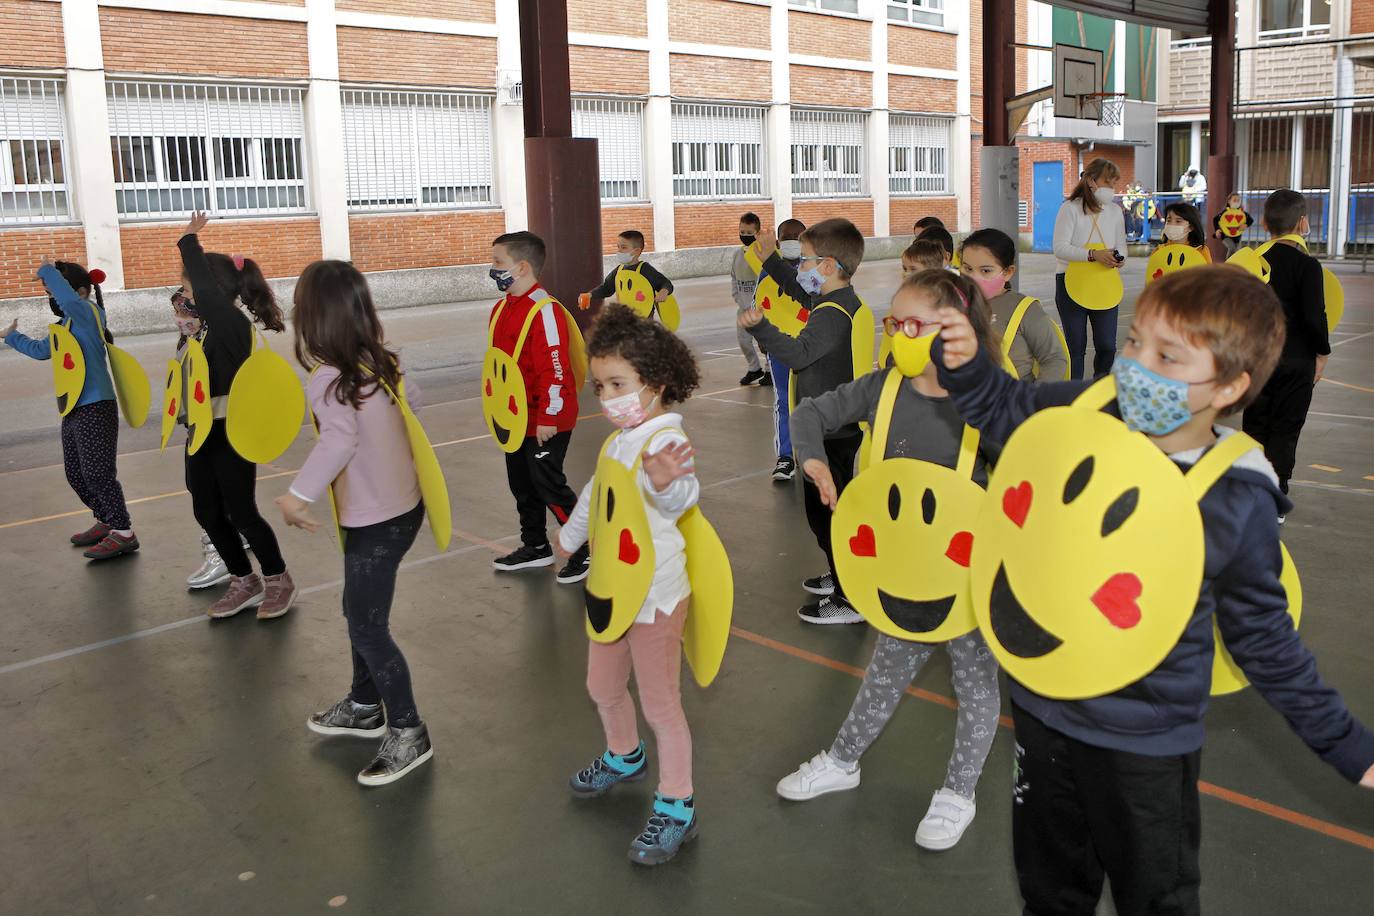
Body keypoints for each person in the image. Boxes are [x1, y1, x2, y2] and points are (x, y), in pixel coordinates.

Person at [935, 265, 1374, 915]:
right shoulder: (1088, 408)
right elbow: (1003, 412)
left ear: (1230, 386)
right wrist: (968, 365)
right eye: (1135, 340)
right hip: (1043, 708)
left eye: (1168, 355)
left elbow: (1264, 640)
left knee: (1156, 895)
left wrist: (1351, 748)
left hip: (1143, 740)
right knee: (1049, 887)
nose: (1137, 364)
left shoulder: (1234, 492)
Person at [776, 270, 1001, 851]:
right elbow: (808, 415)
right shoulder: (883, 388)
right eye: (892, 322)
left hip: (966, 580)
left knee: (976, 683)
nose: (897, 334)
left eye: (911, 325)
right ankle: (844, 761)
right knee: (886, 669)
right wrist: (813, 460)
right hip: (900, 573)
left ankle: (958, 793)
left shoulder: (992, 403)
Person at [277, 260, 433, 787]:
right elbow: (413, 407)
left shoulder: (328, 377)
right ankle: (366, 705)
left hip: (373, 519)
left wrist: (299, 496)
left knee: (367, 624)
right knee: (357, 608)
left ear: (312, 317)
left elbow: (338, 440)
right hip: (403, 508)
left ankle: (409, 731)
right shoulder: (382, 362)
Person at [557, 304, 704, 866]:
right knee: (602, 687)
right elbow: (597, 494)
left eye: (619, 383)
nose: (607, 395)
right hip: (611, 590)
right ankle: (623, 755)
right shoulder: (620, 439)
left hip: (657, 598)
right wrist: (569, 540)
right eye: (600, 385)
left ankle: (677, 803)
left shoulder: (666, 441)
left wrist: (667, 485)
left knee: (663, 707)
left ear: (656, 384)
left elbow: (681, 499)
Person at [740, 218, 867, 625]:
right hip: (833, 427)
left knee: (828, 514)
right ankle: (839, 574)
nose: (801, 271)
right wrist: (771, 260)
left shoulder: (831, 315)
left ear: (828, 266)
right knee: (825, 513)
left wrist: (761, 327)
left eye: (806, 262)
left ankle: (850, 597)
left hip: (832, 434)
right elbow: (797, 289)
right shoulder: (838, 300)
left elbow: (797, 354)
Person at [176, 212, 296, 619]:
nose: (182, 290)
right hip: (201, 432)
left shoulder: (231, 324)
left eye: (187, 282)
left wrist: (189, 240)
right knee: (206, 510)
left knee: (242, 512)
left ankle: (279, 579)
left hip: (232, 431)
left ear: (210, 288)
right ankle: (244, 581)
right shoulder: (202, 329)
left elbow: (206, 292)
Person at [4, 259, 138, 560]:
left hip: (96, 405)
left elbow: (66, 298)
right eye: (47, 294)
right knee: (75, 473)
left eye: (53, 292)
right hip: (73, 406)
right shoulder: (64, 326)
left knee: (98, 472)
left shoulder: (88, 313)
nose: (51, 298)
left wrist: (46, 269)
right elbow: (41, 351)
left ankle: (123, 532)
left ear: (80, 291)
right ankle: (106, 520)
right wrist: (11, 336)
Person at [487, 230, 590, 582]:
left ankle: (584, 550)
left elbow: (555, 368)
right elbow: (500, 368)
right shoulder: (500, 310)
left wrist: (548, 416)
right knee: (521, 482)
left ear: (522, 267)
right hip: (516, 419)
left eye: (498, 262)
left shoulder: (544, 311)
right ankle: (536, 547)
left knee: (549, 484)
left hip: (550, 417)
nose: (492, 268)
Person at [1241, 189, 1331, 522]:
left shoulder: (1252, 262)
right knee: (1286, 427)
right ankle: (1277, 495)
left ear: (1264, 223)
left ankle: (1251, 488)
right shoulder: (1308, 266)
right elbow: (1314, 316)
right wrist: (1322, 352)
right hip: (1295, 359)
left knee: (1256, 425)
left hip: (1257, 359)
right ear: (1303, 222)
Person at [959, 228, 1069, 381]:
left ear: (1008, 272)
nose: (973, 277)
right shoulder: (952, 304)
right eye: (967, 268)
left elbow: (1054, 359)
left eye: (985, 271)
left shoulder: (1025, 309)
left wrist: (1031, 400)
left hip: (1013, 400)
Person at [1054, 158, 1128, 380]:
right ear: (1090, 181)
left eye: (1114, 183)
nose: (1111, 188)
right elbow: (1059, 248)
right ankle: (1073, 394)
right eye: (1108, 182)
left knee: (1107, 345)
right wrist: (1092, 255)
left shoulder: (1115, 211)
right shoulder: (1070, 209)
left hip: (1105, 283)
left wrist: (1120, 258)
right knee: (1075, 347)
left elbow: (1122, 245)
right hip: (1070, 283)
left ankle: (1099, 388)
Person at [761, 218, 807, 481]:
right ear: (778, 241)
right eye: (787, 236)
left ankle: (813, 452)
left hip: (811, 348)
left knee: (813, 400)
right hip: (780, 350)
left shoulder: (814, 269)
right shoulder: (767, 272)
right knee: (783, 400)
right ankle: (786, 457)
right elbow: (760, 304)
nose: (792, 240)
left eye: (797, 236)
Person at [584, 230, 673, 315]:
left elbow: (665, 283)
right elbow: (606, 288)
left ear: (636, 251)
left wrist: (663, 291)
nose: (619, 251)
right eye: (618, 247)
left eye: (623, 247)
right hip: (624, 317)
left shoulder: (645, 269)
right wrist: (590, 294)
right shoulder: (619, 270)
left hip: (643, 317)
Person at [732, 212, 770, 387]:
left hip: (762, 309)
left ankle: (770, 371)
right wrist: (737, 297)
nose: (745, 236)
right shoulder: (737, 255)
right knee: (743, 339)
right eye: (742, 232)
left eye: (749, 233)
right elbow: (734, 277)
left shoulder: (761, 254)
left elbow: (766, 280)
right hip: (743, 308)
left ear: (757, 232)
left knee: (766, 341)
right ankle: (754, 368)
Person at [1212, 191, 1255, 258]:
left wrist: (1245, 225)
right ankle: (1228, 264)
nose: (1236, 202)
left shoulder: (1242, 213)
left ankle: (1233, 264)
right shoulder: (1225, 212)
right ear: (1229, 201)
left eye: (1238, 200)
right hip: (1225, 235)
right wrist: (1217, 230)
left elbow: (1250, 220)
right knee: (1232, 248)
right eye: (1234, 200)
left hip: (1237, 235)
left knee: (1236, 251)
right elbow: (1215, 219)